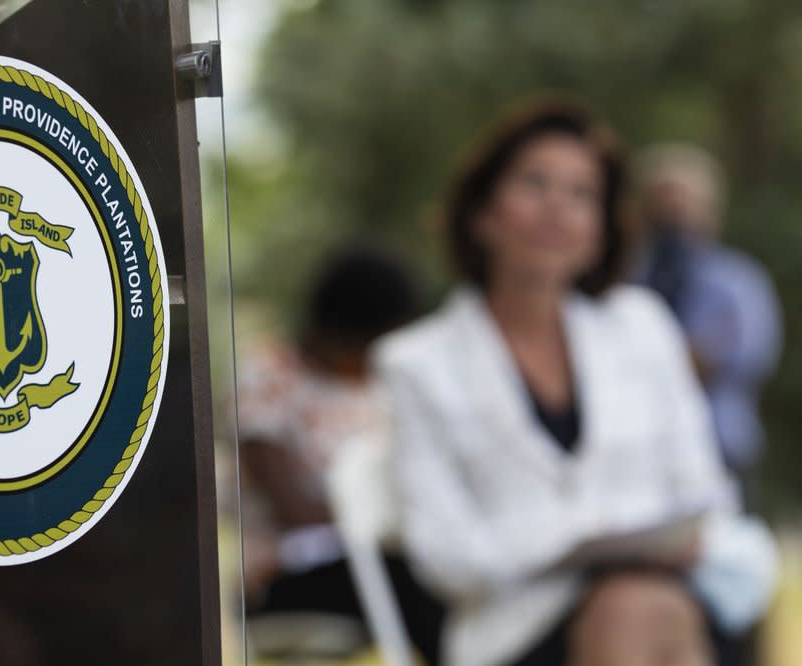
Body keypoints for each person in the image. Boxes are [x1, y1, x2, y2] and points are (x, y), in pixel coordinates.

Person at [373, 99, 777, 666]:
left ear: (599, 230)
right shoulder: (415, 364)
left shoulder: (642, 325)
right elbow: (446, 558)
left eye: (582, 193)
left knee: (640, 605)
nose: (557, 208)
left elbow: (704, 493)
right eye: (535, 183)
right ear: (482, 213)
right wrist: (582, 544)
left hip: (663, 599)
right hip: (518, 629)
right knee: (633, 607)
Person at [237, 243, 445, 664]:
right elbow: (291, 508)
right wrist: (387, 517)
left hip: (382, 565)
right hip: (286, 577)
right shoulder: (270, 379)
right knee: (424, 591)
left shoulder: (379, 388)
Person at [635, 144, 782, 495]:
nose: (672, 219)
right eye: (662, 207)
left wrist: (651, 359)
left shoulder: (740, 281)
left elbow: (740, 358)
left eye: (682, 207)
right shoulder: (628, 279)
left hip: (722, 445)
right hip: (640, 453)